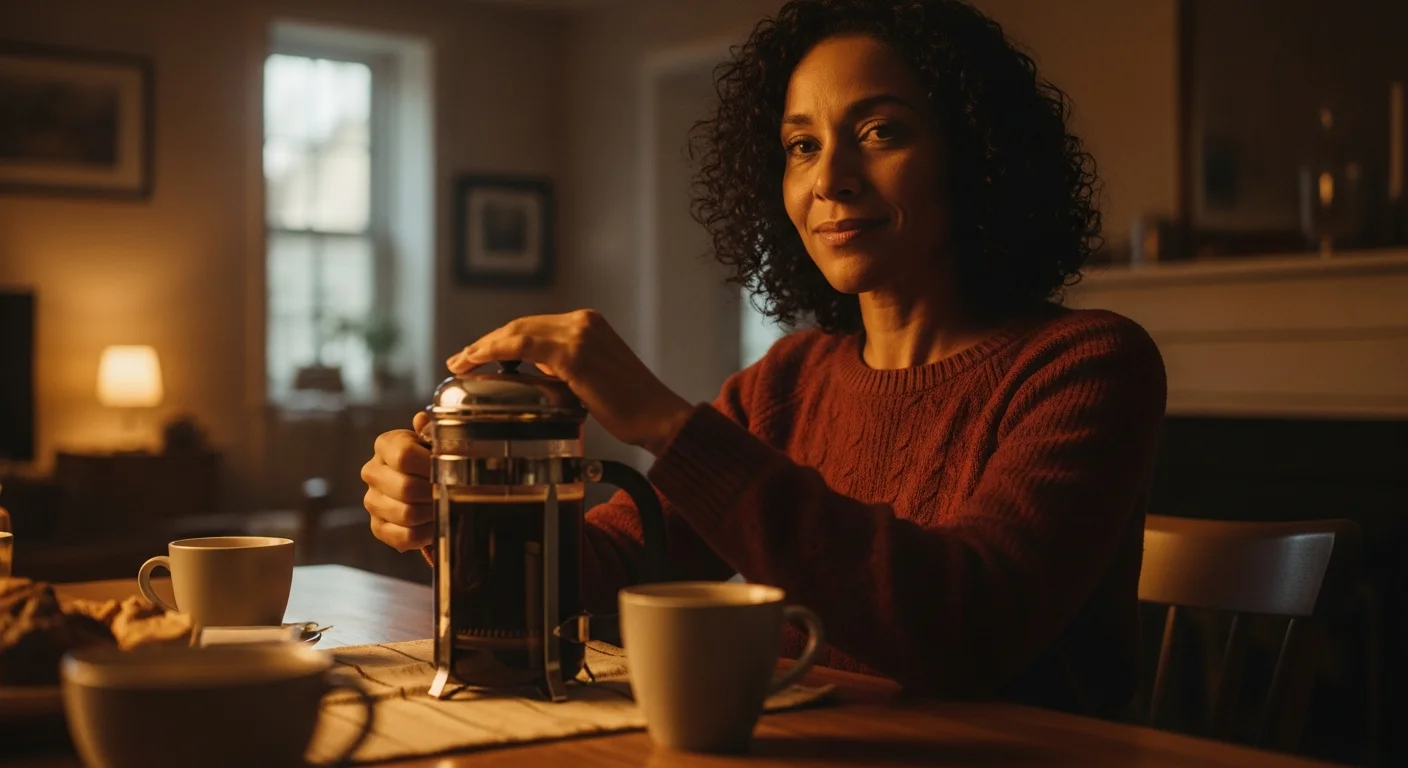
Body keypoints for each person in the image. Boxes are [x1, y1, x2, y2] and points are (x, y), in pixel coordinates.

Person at [361, 0, 1166, 716]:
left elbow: (966, 630)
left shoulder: (1086, 364)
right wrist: (452, 513)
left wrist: (668, 426)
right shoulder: (793, 379)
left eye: (881, 131)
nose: (832, 180)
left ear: (978, 153)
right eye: (802, 145)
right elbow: (605, 563)